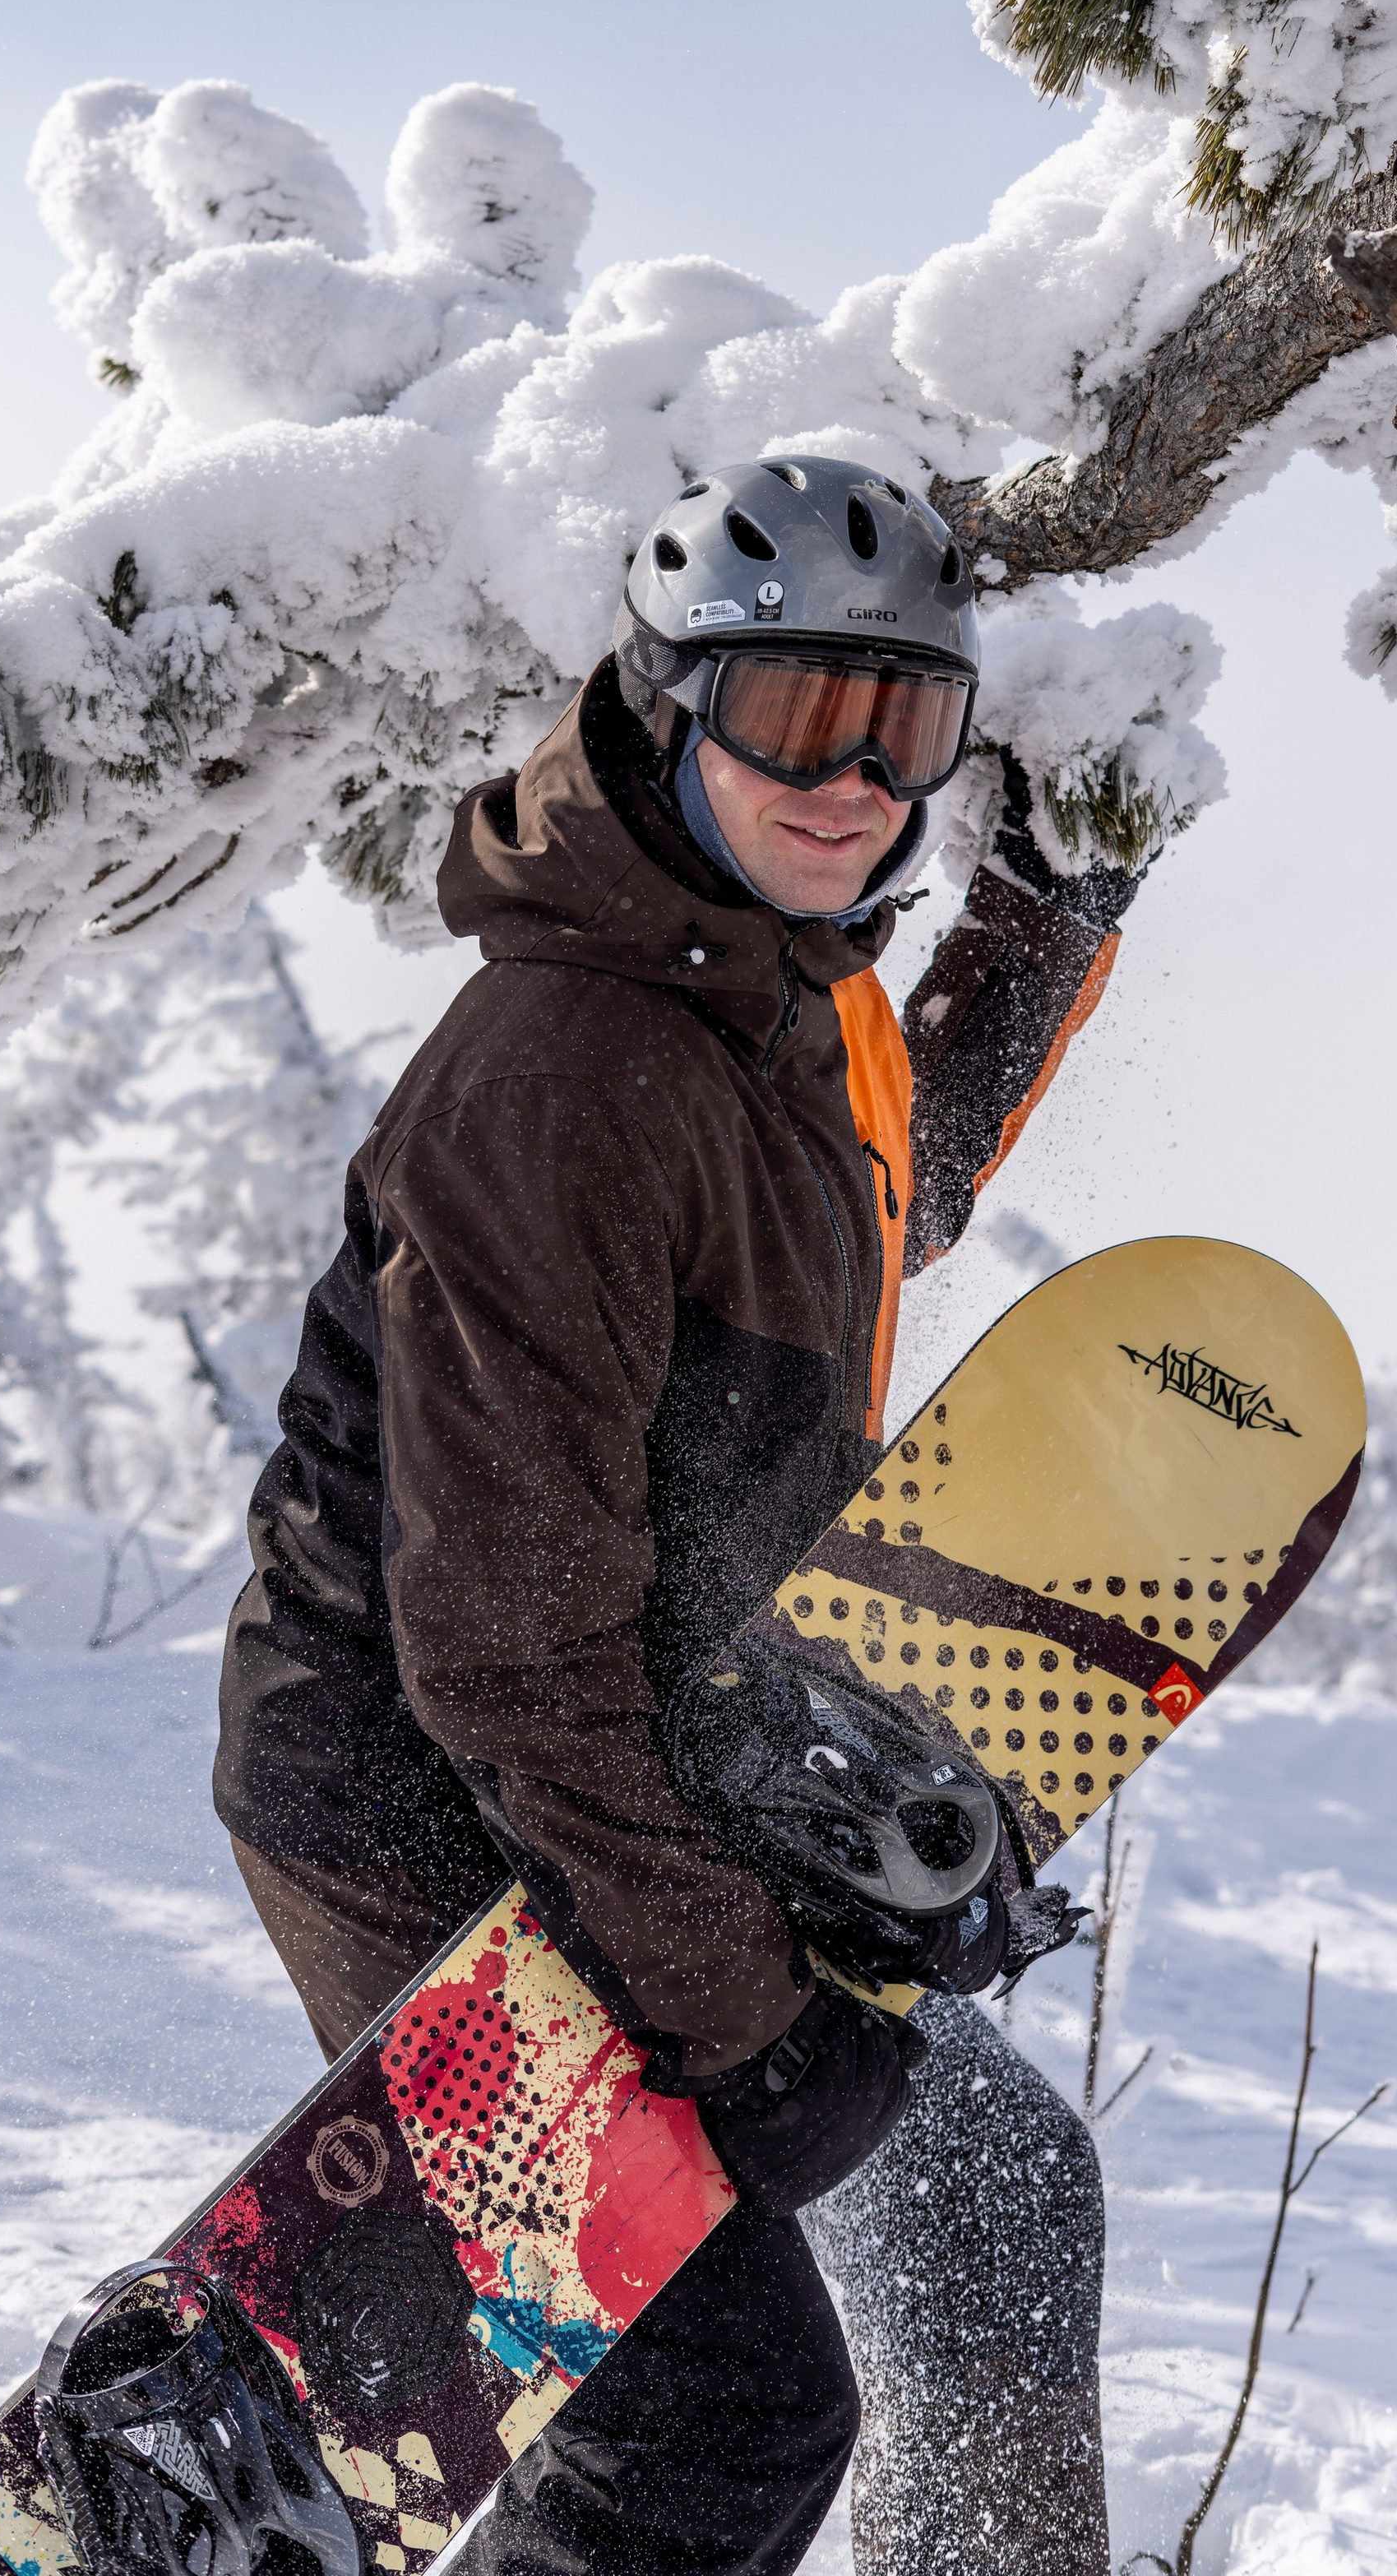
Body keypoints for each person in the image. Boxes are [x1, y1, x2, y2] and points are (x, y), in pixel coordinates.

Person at [215, 457, 1156, 2576]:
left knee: (1003, 2194)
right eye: (793, 714)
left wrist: (1051, 917)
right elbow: (503, 1653)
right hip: (423, 1795)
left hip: (629, 1755)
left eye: (902, 728)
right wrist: (747, 2022)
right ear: (668, 703)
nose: (849, 779)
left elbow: (897, 1195)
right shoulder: (562, 1070)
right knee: (720, 2421)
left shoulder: (773, 1004)